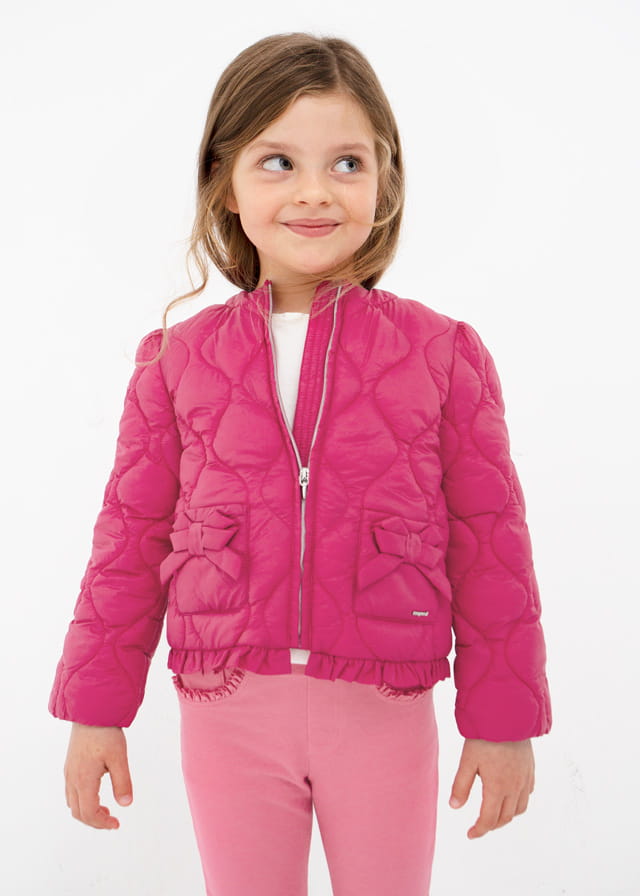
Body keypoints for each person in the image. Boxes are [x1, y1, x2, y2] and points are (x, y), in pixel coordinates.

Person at [49, 32, 552, 896]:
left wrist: (503, 720)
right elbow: (127, 542)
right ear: (225, 182)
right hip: (228, 709)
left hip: (385, 706)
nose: (315, 191)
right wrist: (96, 712)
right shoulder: (174, 359)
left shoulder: (443, 353)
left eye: (347, 163)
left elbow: (491, 543)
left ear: (385, 182)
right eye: (278, 162)